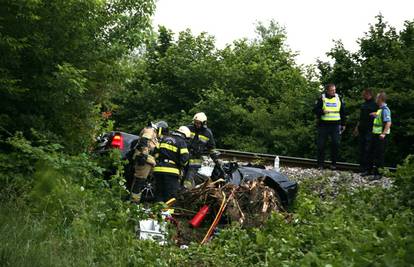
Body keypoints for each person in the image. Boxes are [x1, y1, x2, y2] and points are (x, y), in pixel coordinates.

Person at [129, 121, 168, 202]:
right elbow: (144, 141)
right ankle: (133, 202)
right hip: (144, 159)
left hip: (149, 160)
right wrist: (144, 154)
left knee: (145, 181)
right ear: (160, 129)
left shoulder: (155, 136)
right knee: (139, 180)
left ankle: (140, 200)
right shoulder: (150, 130)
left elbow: (155, 149)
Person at [153, 126, 191, 202]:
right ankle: (168, 213)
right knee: (170, 196)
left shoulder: (164, 139)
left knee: (159, 193)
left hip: (158, 170)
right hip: (171, 171)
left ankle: (157, 211)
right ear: (185, 135)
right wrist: (180, 165)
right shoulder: (181, 142)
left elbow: (155, 153)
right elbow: (185, 159)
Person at [313, 84, 347, 170]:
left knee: (335, 144)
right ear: (327, 91)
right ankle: (320, 165)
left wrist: (343, 124)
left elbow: (343, 111)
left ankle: (333, 164)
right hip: (323, 125)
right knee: (321, 145)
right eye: (332, 90)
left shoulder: (338, 98)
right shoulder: (322, 98)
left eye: (334, 90)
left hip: (335, 125)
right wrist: (322, 111)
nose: (334, 92)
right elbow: (315, 110)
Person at [364, 91, 392, 179]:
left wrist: (383, 134)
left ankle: (378, 174)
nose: (376, 99)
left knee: (379, 155)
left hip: (380, 136)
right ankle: (369, 171)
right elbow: (380, 118)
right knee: (371, 152)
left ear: (380, 99)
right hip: (375, 134)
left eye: (377, 98)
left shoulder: (385, 110)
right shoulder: (380, 109)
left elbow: (388, 122)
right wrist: (375, 115)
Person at [185, 112, 215, 185]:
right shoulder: (188, 128)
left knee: (189, 178)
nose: (197, 124)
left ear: (204, 123)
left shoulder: (207, 133)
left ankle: (186, 191)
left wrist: (216, 159)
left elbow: (211, 147)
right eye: (195, 122)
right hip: (185, 156)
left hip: (195, 160)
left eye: (199, 123)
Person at [353, 89, 378, 173]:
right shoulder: (363, 104)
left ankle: (368, 168)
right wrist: (357, 127)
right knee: (362, 149)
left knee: (368, 149)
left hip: (370, 130)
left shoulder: (375, 105)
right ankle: (362, 167)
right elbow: (360, 118)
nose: (363, 96)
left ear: (369, 94)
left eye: (364, 95)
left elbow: (380, 117)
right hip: (362, 129)